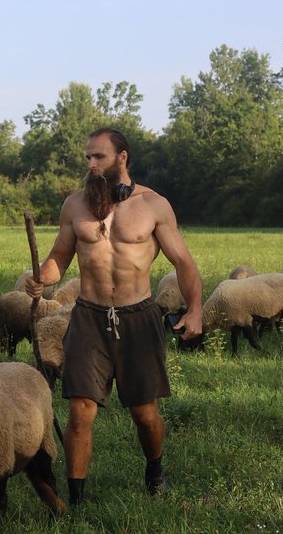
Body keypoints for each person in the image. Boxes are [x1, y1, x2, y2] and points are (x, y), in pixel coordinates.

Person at [26, 127, 202, 504]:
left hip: (138, 318)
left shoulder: (154, 205)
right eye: (87, 157)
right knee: (80, 410)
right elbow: (60, 257)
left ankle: (154, 467)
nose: (90, 163)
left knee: (144, 414)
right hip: (89, 317)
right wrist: (42, 276)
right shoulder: (75, 205)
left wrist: (196, 309)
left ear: (122, 157)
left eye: (98, 157)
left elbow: (183, 261)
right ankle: (75, 502)